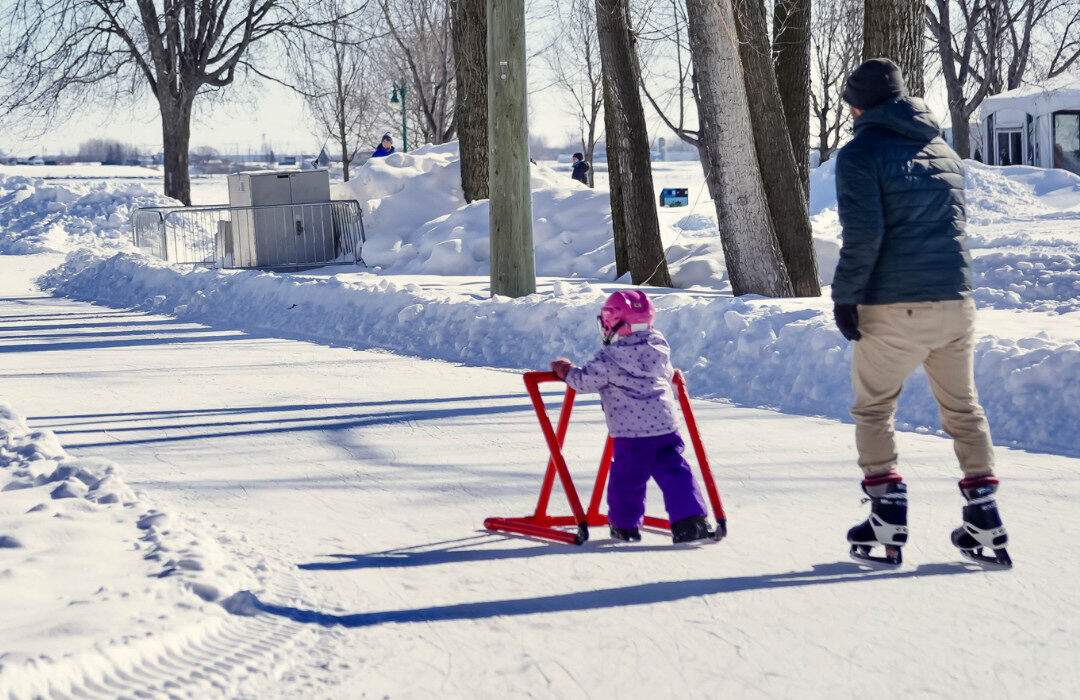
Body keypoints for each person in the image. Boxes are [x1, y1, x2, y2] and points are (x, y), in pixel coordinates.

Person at [833, 58, 1010, 568]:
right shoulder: (942, 150)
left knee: (874, 408)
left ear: (859, 106)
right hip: (956, 301)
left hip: (895, 305)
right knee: (963, 408)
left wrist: (846, 296)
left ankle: (887, 514)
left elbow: (864, 235)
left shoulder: (860, 153)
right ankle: (984, 516)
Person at [550, 290, 714, 544]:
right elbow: (667, 375)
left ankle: (625, 526)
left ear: (613, 323)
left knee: (627, 479)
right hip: (665, 426)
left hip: (631, 432)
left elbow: (583, 382)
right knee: (675, 472)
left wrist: (566, 370)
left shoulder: (610, 358)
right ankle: (691, 522)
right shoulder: (659, 348)